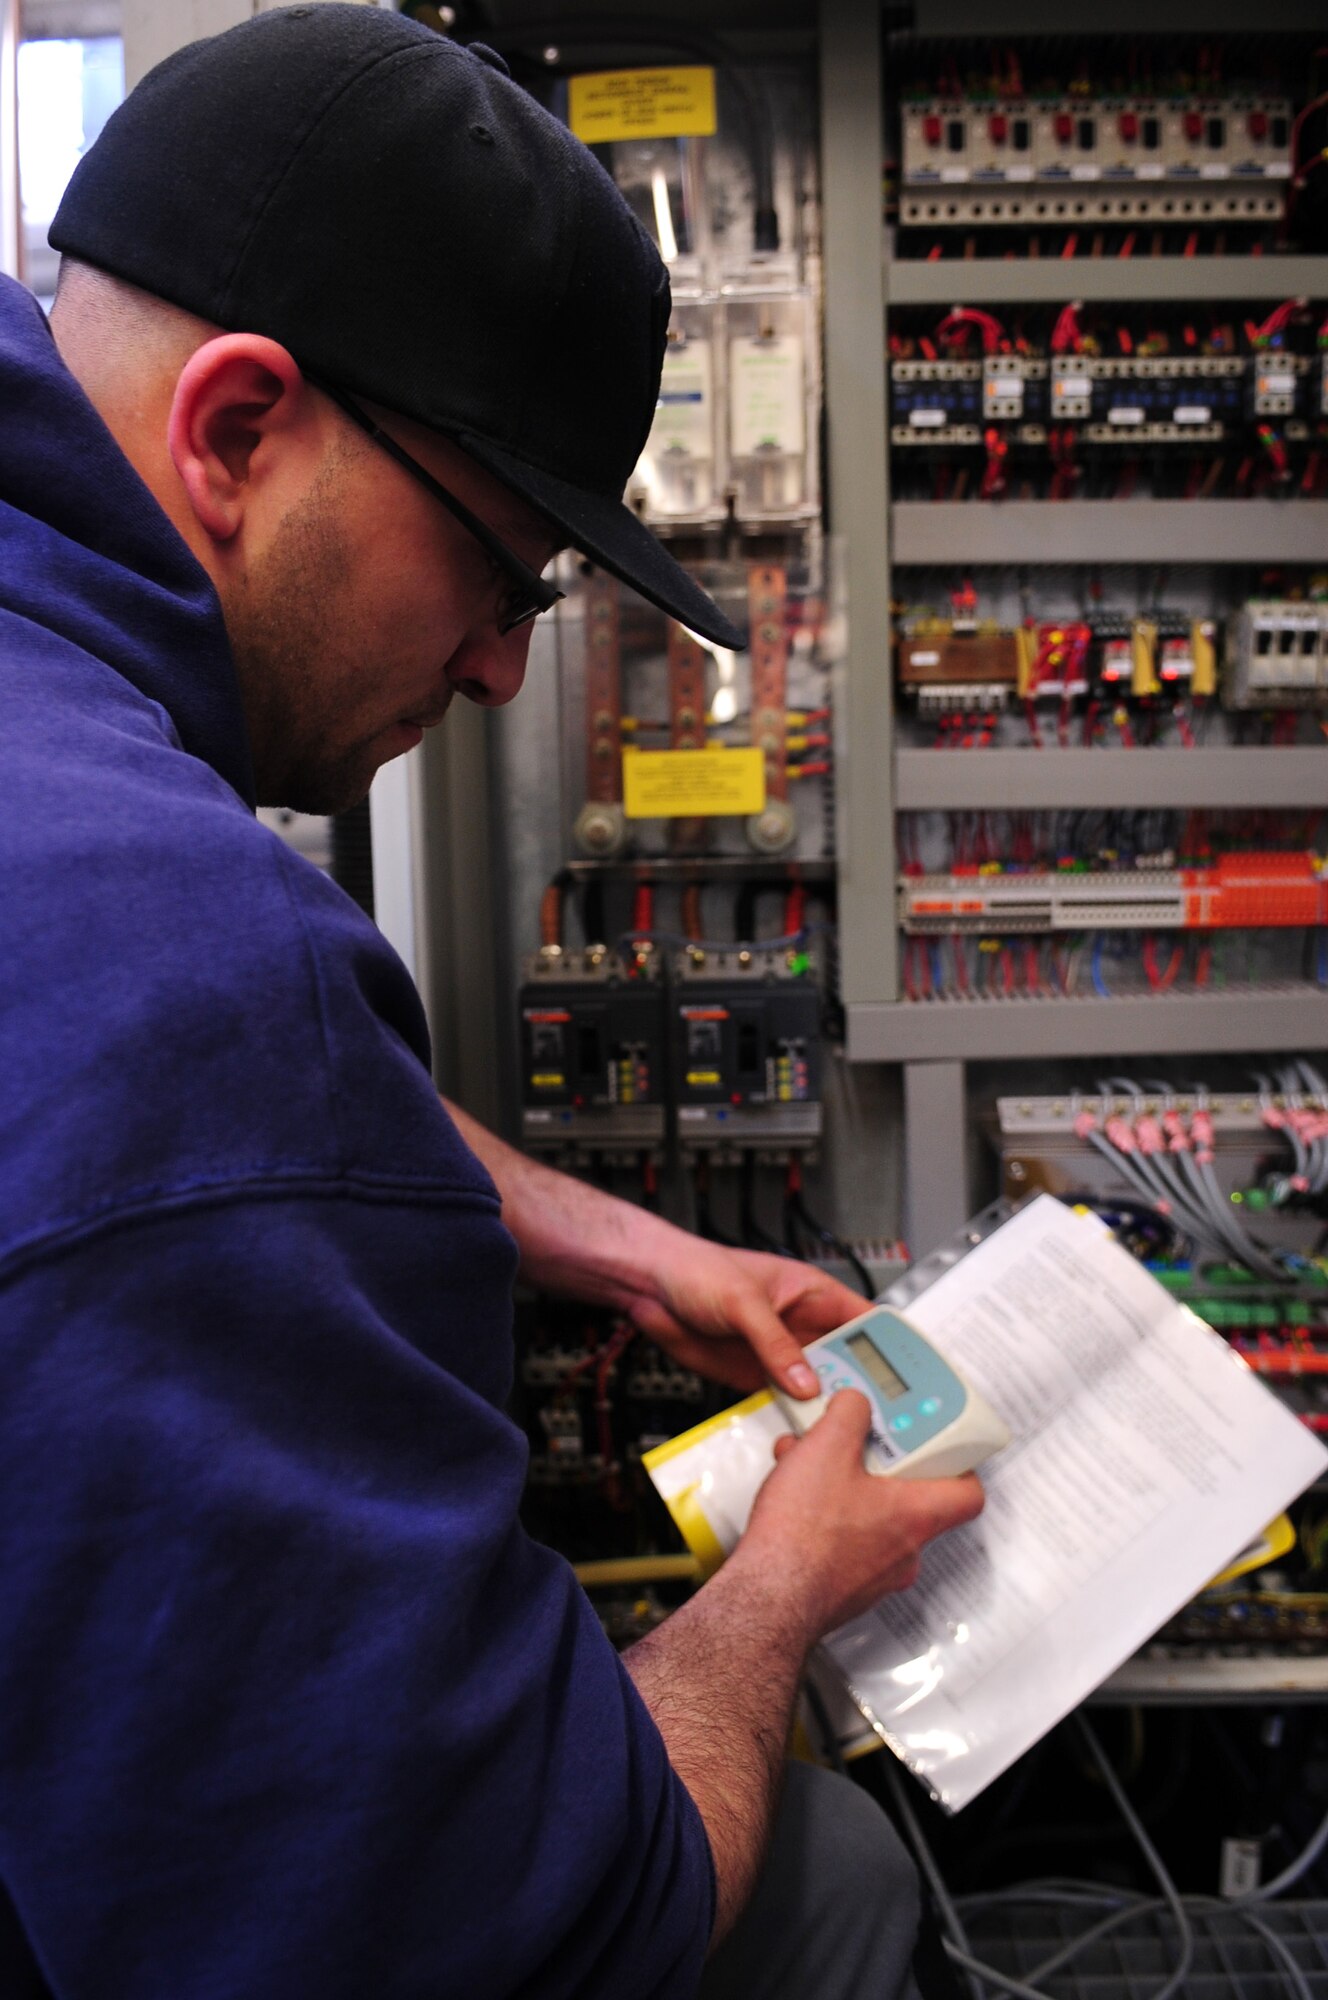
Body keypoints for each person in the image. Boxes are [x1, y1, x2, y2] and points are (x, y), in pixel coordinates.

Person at [0, 8, 983, 1994]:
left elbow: (104, 1094)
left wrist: (592, 1229)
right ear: (237, 427)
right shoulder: (186, 948)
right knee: (840, 1881)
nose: (501, 677)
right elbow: (491, 1931)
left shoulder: (81, 821)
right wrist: (776, 1595)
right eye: (503, 576)